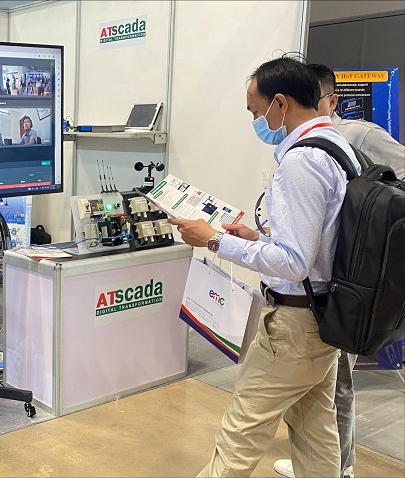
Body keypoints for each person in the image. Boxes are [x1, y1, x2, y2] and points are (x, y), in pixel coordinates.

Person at [169, 57, 360, 477]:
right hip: (324, 317)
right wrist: (257, 238)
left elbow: (294, 263)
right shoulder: (337, 147)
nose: (257, 121)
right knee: (315, 429)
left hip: (294, 325)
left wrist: (214, 240)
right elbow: (320, 241)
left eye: (256, 111)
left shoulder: (301, 161)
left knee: (239, 435)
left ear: (281, 103)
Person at [270, 63, 405, 478]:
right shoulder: (302, 142)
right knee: (325, 383)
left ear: (329, 98)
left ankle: (341, 466)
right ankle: (327, 464)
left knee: (336, 382)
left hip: (343, 282)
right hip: (320, 285)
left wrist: (372, 235)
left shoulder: (356, 136)